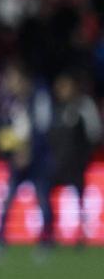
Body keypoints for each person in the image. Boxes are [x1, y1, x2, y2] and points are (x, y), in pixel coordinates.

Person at [0, 65, 55, 253]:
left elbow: (43, 127)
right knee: (8, 199)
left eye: (12, 78)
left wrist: (29, 152)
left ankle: (46, 242)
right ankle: (0, 242)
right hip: (17, 160)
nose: (8, 83)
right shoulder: (10, 102)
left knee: (43, 199)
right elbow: (5, 128)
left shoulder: (39, 97)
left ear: (22, 79)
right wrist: (11, 150)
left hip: (38, 160)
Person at [47, 72, 101, 246]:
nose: (61, 90)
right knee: (47, 194)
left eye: (65, 86)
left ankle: (82, 234)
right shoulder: (55, 107)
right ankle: (49, 233)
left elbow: (95, 132)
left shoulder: (84, 105)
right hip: (57, 160)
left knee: (79, 196)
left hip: (77, 161)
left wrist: (85, 154)